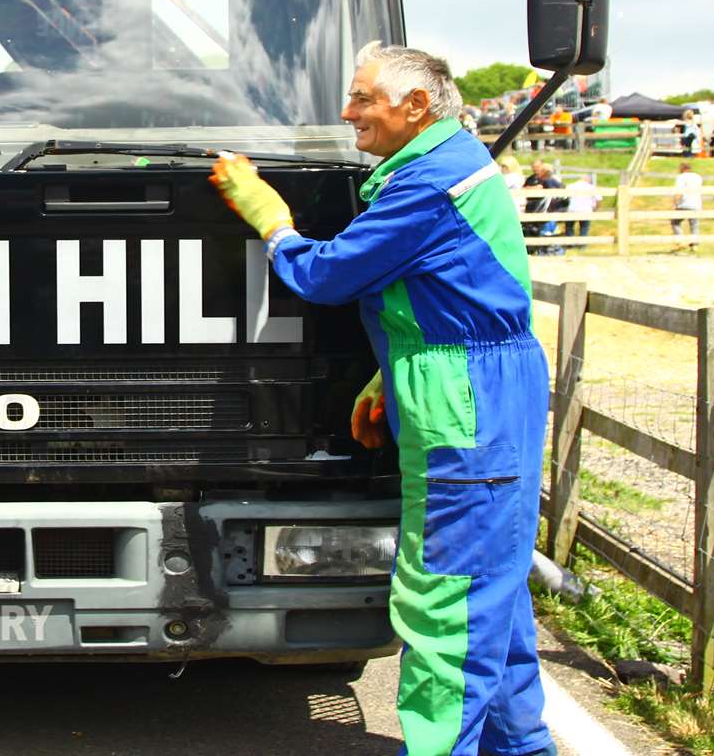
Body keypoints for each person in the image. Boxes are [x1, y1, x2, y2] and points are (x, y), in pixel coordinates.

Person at [211, 42, 553, 756]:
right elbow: (447, 292)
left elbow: (332, 276)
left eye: (364, 99)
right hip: (478, 381)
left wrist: (272, 221)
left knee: (447, 602)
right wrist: (390, 370)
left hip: (464, 400)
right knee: (496, 597)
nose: (347, 112)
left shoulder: (427, 183)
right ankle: (522, 749)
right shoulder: (449, 163)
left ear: (415, 107)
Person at [523, 160, 566, 255]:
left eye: (538, 167)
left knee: (546, 229)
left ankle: (548, 249)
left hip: (546, 208)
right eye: (534, 166)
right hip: (534, 207)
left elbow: (553, 191)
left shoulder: (550, 180)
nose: (536, 169)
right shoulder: (531, 178)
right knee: (532, 229)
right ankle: (536, 248)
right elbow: (523, 188)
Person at [672, 161, 704, 250]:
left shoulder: (681, 177)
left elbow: (679, 191)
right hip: (696, 204)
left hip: (683, 204)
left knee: (675, 222)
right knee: (694, 225)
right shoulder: (698, 177)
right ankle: (694, 245)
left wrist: (674, 203)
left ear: (682, 168)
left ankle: (680, 240)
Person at [564, 174, 601, 246]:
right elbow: (598, 199)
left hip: (572, 210)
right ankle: (582, 245)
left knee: (569, 227)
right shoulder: (591, 187)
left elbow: (564, 198)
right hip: (586, 210)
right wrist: (595, 209)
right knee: (584, 228)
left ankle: (570, 244)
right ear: (588, 180)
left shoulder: (570, 186)